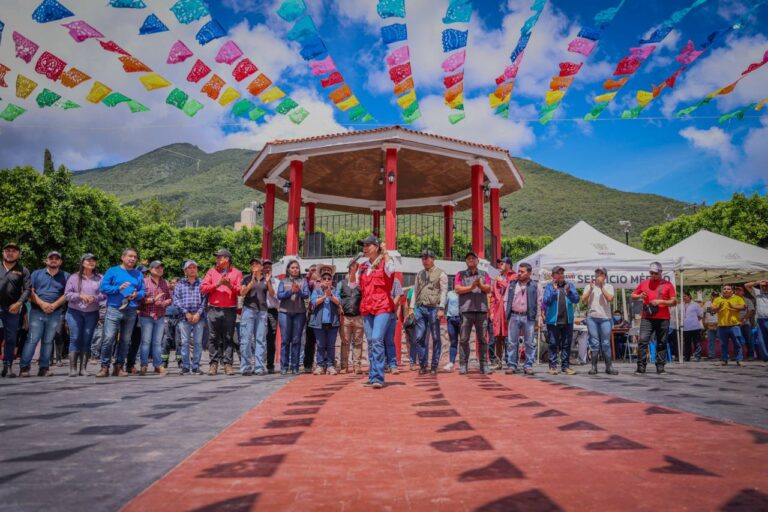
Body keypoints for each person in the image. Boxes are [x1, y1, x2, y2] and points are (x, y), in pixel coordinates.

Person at [350, 235, 395, 388]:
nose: (365, 248)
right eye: (364, 245)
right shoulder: (362, 267)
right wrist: (352, 269)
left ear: (376, 247)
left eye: (368, 245)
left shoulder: (385, 263)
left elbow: (391, 270)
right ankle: (372, 375)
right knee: (370, 342)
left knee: (377, 339)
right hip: (367, 307)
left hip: (382, 306)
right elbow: (352, 285)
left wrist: (386, 252)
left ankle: (379, 377)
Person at [19, 251, 69, 377]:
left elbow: (67, 294)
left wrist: (54, 305)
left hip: (55, 312)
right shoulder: (36, 273)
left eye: (56, 258)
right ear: (46, 260)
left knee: (48, 341)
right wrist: (42, 304)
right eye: (51, 258)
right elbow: (30, 291)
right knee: (32, 339)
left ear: (60, 262)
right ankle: (24, 368)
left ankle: (44, 368)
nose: (53, 260)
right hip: (37, 311)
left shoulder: (66, 276)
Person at [98, 248, 146, 377]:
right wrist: (118, 288)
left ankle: (119, 367)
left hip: (131, 309)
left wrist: (136, 294)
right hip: (114, 308)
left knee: (125, 340)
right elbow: (103, 288)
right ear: (122, 257)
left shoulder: (138, 274)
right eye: (130, 256)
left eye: (135, 257)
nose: (132, 259)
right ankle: (104, 366)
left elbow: (143, 291)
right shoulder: (112, 271)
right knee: (108, 338)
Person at [201, 249, 242, 376]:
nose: (217, 260)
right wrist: (217, 284)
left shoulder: (237, 273)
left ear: (227, 259)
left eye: (219, 257)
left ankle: (228, 364)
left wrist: (230, 286)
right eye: (217, 257)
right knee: (213, 337)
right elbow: (203, 288)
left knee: (228, 337)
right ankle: (213, 363)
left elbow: (240, 291)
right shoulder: (211, 271)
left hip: (230, 309)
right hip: (214, 308)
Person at [631, 262, 677, 374]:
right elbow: (633, 295)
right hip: (647, 317)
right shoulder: (644, 283)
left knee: (662, 342)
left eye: (656, 273)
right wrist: (640, 296)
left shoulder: (668, 284)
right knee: (642, 341)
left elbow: (674, 301)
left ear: (661, 272)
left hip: (663, 318)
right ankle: (641, 367)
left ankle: (660, 367)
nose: (653, 275)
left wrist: (661, 301)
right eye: (651, 273)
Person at [63, 253, 104, 377]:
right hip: (74, 312)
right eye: (88, 260)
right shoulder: (74, 277)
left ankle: (83, 368)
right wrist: (80, 295)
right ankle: (73, 368)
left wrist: (95, 298)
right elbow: (67, 295)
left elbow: (104, 295)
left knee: (87, 339)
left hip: (92, 313)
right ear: (82, 263)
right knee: (75, 337)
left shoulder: (100, 278)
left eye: (93, 260)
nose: (91, 262)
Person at [411, 249, 448, 375]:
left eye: (427, 258)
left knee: (436, 337)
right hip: (420, 308)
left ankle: (434, 365)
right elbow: (415, 291)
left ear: (433, 259)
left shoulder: (441, 274)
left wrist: (442, 308)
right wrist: (412, 307)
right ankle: (422, 365)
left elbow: (444, 292)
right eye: (423, 258)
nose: (425, 260)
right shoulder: (419, 274)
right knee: (419, 337)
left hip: (434, 308)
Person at [454, 252, 492, 375]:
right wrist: (471, 287)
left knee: (482, 339)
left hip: (481, 310)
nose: (470, 260)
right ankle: (464, 365)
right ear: (466, 261)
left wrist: (479, 285)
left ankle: (484, 365)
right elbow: (458, 289)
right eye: (468, 258)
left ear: (477, 261)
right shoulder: (460, 274)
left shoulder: (484, 274)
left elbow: (488, 288)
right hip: (466, 310)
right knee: (464, 339)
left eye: (473, 258)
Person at [542, 266, 580, 376]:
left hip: (567, 320)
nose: (561, 275)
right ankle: (552, 367)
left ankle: (565, 367)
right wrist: (554, 291)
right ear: (553, 275)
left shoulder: (570, 285)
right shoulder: (549, 287)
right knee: (553, 344)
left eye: (562, 273)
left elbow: (576, 299)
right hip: (553, 321)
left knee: (567, 344)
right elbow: (546, 302)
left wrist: (570, 293)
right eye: (558, 273)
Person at [1, 241, 30, 378]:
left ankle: (8, 366)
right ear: (3, 252)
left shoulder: (23, 270)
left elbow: (27, 289)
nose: (10, 253)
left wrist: (19, 303)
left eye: (13, 251)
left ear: (18, 254)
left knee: (11, 338)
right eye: (7, 250)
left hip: (12, 308)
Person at [239, 257, 273, 376]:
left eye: (257, 263)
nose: (254, 265)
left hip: (262, 311)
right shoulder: (246, 278)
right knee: (246, 339)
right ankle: (246, 367)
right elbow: (241, 292)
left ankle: (259, 367)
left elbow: (272, 293)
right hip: (249, 310)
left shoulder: (266, 278)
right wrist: (251, 284)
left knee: (260, 340)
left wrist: (268, 282)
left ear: (261, 266)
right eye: (252, 264)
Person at [581, 267, 618, 376]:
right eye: (597, 273)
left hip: (605, 318)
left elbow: (610, 298)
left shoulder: (609, 286)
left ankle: (609, 367)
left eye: (601, 274)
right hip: (592, 318)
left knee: (606, 343)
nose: (598, 275)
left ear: (605, 276)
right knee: (594, 343)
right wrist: (591, 289)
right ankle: (593, 367)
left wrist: (601, 286)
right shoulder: (589, 286)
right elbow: (583, 300)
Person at [138, 261, 171, 376]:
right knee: (146, 342)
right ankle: (144, 365)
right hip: (146, 315)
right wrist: (153, 300)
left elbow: (169, 298)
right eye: (157, 268)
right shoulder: (144, 281)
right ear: (150, 269)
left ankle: (157, 366)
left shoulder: (165, 283)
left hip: (160, 315)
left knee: (157, 342)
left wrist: (165, 302)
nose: (160, 269)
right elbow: (139, 299)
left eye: (161, 267)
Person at [504, 262, 538, 375]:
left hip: (528, 317)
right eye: (518, 271)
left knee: (529, 342)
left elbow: (539, 301)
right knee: (512, 342)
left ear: (529, 273)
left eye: (522, 272)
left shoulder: (534, 285)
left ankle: (528, 365)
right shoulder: (512, 284)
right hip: (514, 316)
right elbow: (506, 299)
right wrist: (506, 313)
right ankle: (511, 365)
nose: (519, 273)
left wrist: (538, 319)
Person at [173, 260, 206, 375]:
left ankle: (196, 366)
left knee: (198, 342)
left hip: (199, 317)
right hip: (184, 317)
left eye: (194, 267)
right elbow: (176, 300)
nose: (192, 269)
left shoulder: (202, 283)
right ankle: (185, 366)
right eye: (189, 268)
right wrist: (186, 312)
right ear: (185, 270)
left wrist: (198, 313)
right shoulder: (180, 283)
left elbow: (205, 300)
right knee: (185, 342)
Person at [277, 260, 309, 375]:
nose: (295, 269)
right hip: (285, 313)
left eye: (297, 267)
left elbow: (306, 295)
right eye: (293, 267)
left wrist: (298, 291)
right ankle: (284, 366)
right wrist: (291, 291)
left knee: (296, 340)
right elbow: (279, 295)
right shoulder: (283, 281)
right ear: (288, 269)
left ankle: (295, 366)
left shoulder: (303, 281)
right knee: (285, 340)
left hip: (299, 313)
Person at [310, 266, 341, 375]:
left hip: (333, 322)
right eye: (325, 279)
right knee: (320, 345)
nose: (327, 280)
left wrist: (330, 295)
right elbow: (313, 302)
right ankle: (320, 365)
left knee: (331, 345)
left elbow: (338, 302)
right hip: (319, 322)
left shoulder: (335, 290)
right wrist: (324, 296)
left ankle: (330, 366)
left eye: (329, 278)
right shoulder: (316, 290)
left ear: (331, 280)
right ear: (321, 280)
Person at [337, 259, 364, 374]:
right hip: (346, 318)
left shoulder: (361, 285)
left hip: (358, 317)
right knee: (345, 342)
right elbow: (337, 297)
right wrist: (339, 306)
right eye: (353, 270)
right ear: (348, 272)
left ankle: (357, 366)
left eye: (357, 271)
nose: (355, 273)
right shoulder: (341, 284)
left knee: (358, 342)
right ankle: (344, 366)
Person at [710, 284, 746, 366]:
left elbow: (743, 307)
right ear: (722, 291)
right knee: (723, 344)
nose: (726, 290)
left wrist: (733, 306)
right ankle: (724, 360)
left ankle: (739, 360)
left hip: (734, 325)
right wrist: (718, 307)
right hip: (722, 325)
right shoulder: (717, 299)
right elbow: (712, 309)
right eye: (724, 289)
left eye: (728, 289)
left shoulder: (737, 298)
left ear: (732, 291)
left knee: (737, 343)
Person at [490, 257, 515, 369]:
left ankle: (511, 362)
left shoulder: (514, 276)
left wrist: (502, 282)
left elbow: (511, 290)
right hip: (497, 310)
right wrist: (491, 312)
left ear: (509, 265)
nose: (500, 265)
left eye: (502, 263)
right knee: (498, 336)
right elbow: (492, 296)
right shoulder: (496, 278)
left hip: (508, 309)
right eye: (499, 264)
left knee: (509, 337)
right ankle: (498, 362)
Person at [262, 260, 280, 374]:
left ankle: (270, 365)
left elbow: (274, 295)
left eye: (269, 267)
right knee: (258, 338)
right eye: (265, 267)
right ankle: (258, 364)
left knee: (270, 339)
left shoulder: (276, 281)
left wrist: (268, 283)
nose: (267, 269)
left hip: (272, 311)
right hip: (259, 310)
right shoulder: (257, 280)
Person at [161, 277, 182, 369]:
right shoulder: (166, 293)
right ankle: (164, 361)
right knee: (166, 339)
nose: (172, 284)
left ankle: (180, 361)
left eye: (174, 283)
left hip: (179, 318)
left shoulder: (182, 293)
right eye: (171, 283)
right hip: (167, 317)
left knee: (179, 341)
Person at [744, 280, 768, 361]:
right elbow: (746, 285)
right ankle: (766, 358)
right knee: (762, 341)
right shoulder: (757, 292)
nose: (764, 287)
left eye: (766, 286)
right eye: (762, 286)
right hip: (760, 320)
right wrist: (759, 282)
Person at [384, 276, 403, 374]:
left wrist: (389, 306)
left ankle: (392, 365)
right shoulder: (377, 278)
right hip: (377, 314)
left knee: (390, 341)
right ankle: (382, 365)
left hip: (390, 315)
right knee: (378, 342)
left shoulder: (395, 281)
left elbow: (398, 295)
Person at [303, 264, 319, 373]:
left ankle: (323, 363)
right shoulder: (309, 283)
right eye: (312, 271)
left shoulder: (324, 281)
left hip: (323, 314)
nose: (313, 273)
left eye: (315, 271)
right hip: (312, 314)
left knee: (323, 341)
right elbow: (306, 285)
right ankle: (308, 364)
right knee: (310, 341)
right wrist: (308, 274)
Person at [681, 292, 704, 362]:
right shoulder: (681, 305)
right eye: (683, 297)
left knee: (696, 343)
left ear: (689, 296)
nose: (684, 298)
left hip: (695, 327)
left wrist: (694, 320)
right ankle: (687, 357)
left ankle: (697, 356)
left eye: (685, 296)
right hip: (685, 328)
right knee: (687, 343)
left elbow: (701, 315)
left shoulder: (695, 305)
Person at [734, 286, 755, 359]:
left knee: (748, 340)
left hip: (745, 323)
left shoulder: (747, 300)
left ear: (743, 292)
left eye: (739, 290)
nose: (738, 292)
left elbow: (751, 310)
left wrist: (744, 320)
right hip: (735, 323)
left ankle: (750, 355)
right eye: (736, 290)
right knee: (736, 340)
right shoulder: (732, 300)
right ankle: (738, 356)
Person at [443, 287, 460, 372]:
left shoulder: (464, 293)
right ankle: (451, 362)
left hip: (462, 319)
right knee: (453, 341)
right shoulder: (449, 293)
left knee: (464, 341)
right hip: (451, 319)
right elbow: (444, 304)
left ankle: (464, 363)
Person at [703, 291, 720, 359]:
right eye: (713, 296)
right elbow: (704, 313)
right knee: (710, 340)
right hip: (709, 323)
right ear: (711, 296)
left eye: (716, 296)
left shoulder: (720, 303)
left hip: (718, 323)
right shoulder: (707, 303)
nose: (714, 297)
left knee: (722, 340)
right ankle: (711, 355)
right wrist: (704, 322)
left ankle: (724, 355)